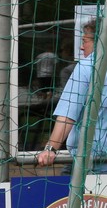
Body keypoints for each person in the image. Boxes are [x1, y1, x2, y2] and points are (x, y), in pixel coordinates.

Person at [36, 21, 104, 173]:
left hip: (87, 162)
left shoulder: (87, 66)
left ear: (100, 42)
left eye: (85, 41)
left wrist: (50, 148)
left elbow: (68, 113)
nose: (81, 47)